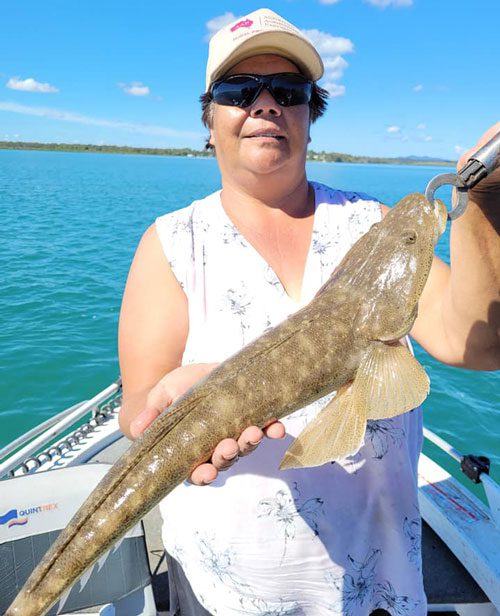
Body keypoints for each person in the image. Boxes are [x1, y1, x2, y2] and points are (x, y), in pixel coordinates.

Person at [118, 8, 499, 616]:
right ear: (209, 121)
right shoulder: (171, 244)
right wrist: (170, 397)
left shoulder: (374, 227)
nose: (266, 105)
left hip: (377, 581)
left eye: (289, 92)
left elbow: (476, 344)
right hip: (230, 588)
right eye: (240, 91)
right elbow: (139, 408)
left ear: (310, 117)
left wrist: (483, 202)